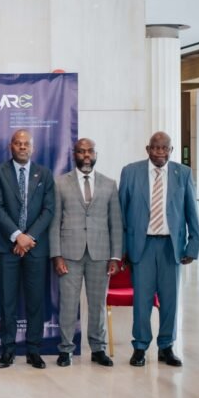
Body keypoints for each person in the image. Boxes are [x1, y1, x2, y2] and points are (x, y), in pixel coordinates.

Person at [119, 131, 199, 367]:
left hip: (170, 246)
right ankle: (140, 347)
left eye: (165, 148)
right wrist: (121, 249)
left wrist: (193, 245)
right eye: (155, 148)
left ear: (171, 150)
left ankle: (166, 346)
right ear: (148, 149)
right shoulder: (131, 172)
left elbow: (192, 212)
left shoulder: (182, 173)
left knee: (170, 300)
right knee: (142, 300)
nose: (160, 152)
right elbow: (120, 213)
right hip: (141, 246)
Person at [49, 138, 122, 368]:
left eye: (90, 151)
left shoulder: (109, 184)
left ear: (96, 154)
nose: (86, 155)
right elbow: (54, 222)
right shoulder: (60, 183)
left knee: (97, 304)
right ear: (75, 155)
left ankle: (98, 349)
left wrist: (115, 256)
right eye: (81, 151)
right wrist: (56, 255)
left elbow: (116, 223)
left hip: (101, 253)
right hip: (69, 253)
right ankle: (66, 349)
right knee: (68, 304)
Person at [0, 129, 55, 369]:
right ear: (11, 146)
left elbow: (49, 209)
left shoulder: (44, 174)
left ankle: (34, 350)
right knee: (8, 301)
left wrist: (29, 238)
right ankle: (7, 350)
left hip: (35, 247)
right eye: (18, 143)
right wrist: (17, 237)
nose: (22, 147)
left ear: (32, 148)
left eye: (26, 143)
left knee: (35, 300)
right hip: (7, 247)